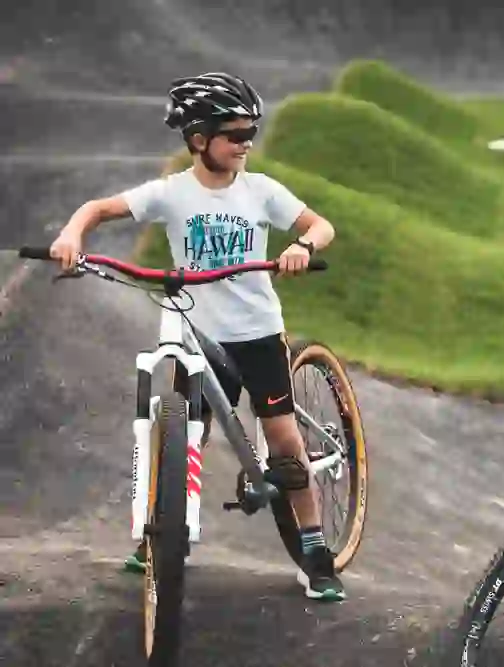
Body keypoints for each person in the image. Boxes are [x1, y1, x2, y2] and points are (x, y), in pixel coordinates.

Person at [47, 72, 346, 602]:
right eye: (234, 134)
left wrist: (302, 244)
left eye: (250, 132)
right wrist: (73, 235)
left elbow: (321, 225)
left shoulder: (261, 191)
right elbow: (97, 209)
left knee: (282, 439)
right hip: (201, 335)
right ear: (198, 139)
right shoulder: (172, 194)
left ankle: (315, 547)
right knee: (189, 433)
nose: (245, 144)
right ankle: (158, 534)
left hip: (257, 333)